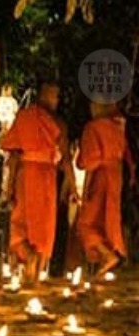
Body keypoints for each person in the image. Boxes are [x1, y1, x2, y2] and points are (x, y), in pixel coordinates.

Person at [1, 80, 70, 284]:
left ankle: (30, 265)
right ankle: (35, 274)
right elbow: (65, 158)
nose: (56, 100)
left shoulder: (25, 118)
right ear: (44, 94)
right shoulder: (57, 123)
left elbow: (13, 155)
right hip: (46, 176)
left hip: (27, 174)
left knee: (20, 224)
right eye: (54, 95)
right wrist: (71, 184)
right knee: (42, 226)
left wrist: (8, 189)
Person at [75, 101, 129, 277]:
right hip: (116, 175)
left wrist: (85, 191)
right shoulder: (117, 126)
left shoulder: (94, 127)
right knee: (105, 218)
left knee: (85, 222)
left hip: (101, 176)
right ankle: (106, 258)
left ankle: (108, 255)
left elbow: (90, 162)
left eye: (93, 105)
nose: (91, 109)